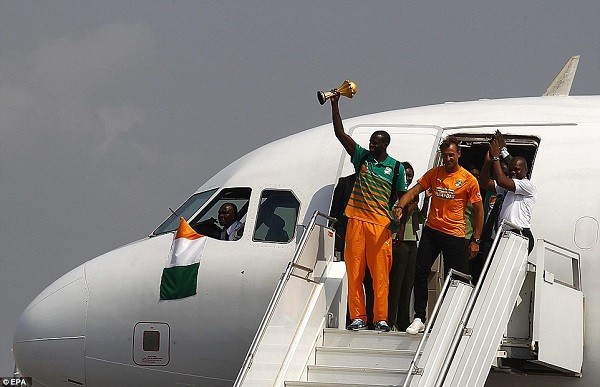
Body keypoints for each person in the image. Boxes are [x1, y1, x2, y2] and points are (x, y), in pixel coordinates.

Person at [330, 93, 407, 332]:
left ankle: (381, 318)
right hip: (356, 221)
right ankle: (358, 317)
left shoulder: (395, 168)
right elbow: (340, 134)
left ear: (385, 144)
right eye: (371, 142)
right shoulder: (362, 157)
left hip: (381, 226)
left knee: (380, 275)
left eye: (376, 143)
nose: (371, 146)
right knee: (354, 272)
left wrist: (399, 218)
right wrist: (335, 105)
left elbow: (403, 197)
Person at [396, 136, 484, 334]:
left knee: (457, 278)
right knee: (420, 273)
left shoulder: (468, 179)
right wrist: (400, 206)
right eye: (445, 156)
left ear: (458, 154)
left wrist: (476, 240)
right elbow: (414, 191)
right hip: (432, 231)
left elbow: (479, 211)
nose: (448, 159)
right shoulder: (434, 174)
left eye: (451, 155)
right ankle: (419, 317)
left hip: (455, 234)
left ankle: (456, 318)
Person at [388, 162, 429, 331]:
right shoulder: (397, 195)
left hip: (412, 241)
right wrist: (409, 206)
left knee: (408, 283)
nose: (409, 177)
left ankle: (403, 320)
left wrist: (426, 199)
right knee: (396, 283)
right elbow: (397, 217)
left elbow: (421, 218)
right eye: (406, 174)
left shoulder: (413, 195)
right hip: (400, 242)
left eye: (411, 175)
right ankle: (390, 319)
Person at [479, 132, 536, 253]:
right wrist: (487, 162)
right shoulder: (507, 188)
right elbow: (484, 183)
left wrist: (496, 157)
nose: (513, 172)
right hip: (503, 234)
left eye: (517, 170)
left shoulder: (527, 186)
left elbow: (501, 180)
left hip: (519, 233)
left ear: (526, 170)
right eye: (511, 171)